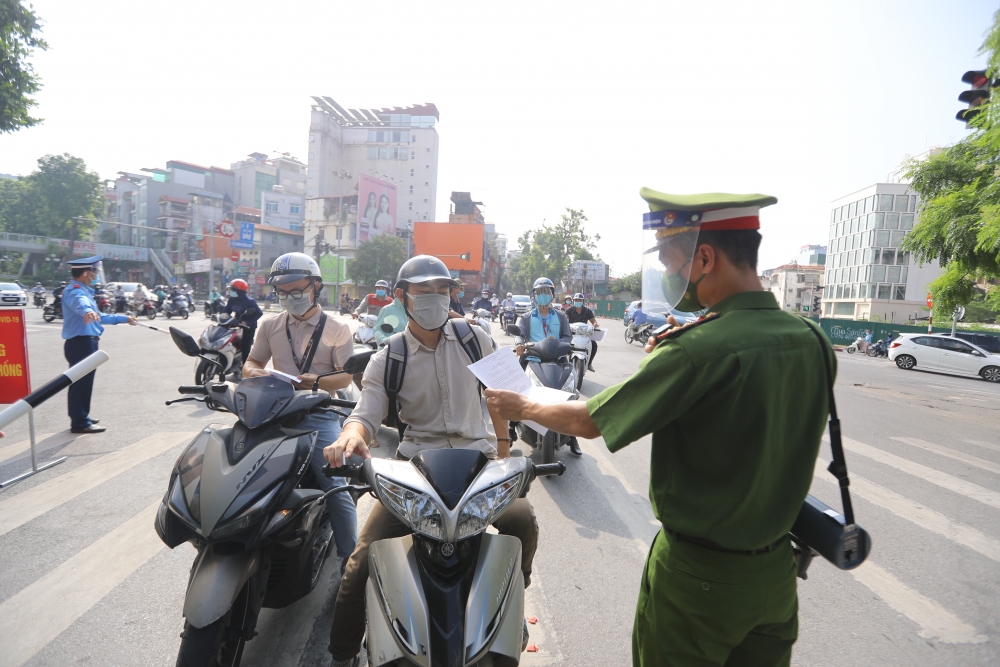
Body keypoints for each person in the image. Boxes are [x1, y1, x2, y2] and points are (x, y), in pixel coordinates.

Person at [484, 190, 833, 667]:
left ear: (704, 257)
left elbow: (589, 421)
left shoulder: (697, 349)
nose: (669, 275)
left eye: (670, 260)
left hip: (699, 582)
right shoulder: (812, 340)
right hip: (775, 577)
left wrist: (521, 403)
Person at [323, 255, 538, 667]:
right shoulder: (390, 357)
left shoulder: (477, 338)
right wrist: (350, 436)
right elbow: (365, 414)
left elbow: (507, 395)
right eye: (425, 292)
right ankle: (342, 654)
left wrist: (505, 449)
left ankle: (514, 597)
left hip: (479, 466)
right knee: (361, 561)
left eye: (443, 291)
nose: (436, 299)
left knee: (522, 518)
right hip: (416, 475)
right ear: (402, 298)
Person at [242, 252, 358, 576]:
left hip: (320, 412)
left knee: (336, 482)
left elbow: (346, 377)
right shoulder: (270, 325)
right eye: (282, 291)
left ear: (315, 286)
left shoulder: (337, 328)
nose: (290, 297)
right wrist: (260, 375)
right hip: (274, 410)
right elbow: (250, 364)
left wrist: (317, 381)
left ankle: (351, 563)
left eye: (297, 289)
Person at [60, 256, 137, 433]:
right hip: (82, 344)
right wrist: (86, 311)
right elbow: (81, 304)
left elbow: (99, 316)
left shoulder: (85, 290)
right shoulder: (75, 291)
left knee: (83, 383)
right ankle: (80, 423)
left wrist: (123, 318)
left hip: (85, 343)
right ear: (87, 272)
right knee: (81, 383)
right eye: (94, 271)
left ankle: (81, 416)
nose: (95, 274)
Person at [513, 277, 576, 454]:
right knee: (516, 390)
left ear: (552, 295)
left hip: (557, 359)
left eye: (546, 292)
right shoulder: (526, 317)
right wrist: (519, 343)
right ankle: (511, 427)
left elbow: (567, 336)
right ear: (534, 295)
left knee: (571, 391)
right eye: (539, 292)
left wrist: (562, 342)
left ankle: (572, 436)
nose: (543, 295)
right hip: (533, 358)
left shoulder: (561, 316)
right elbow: (520, 334)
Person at [224, 278, 262, 366]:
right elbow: (227, 309)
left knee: (245, 347)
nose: (231, 292)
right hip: (236, 323)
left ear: (239, 291)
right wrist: (223, 315)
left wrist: (247, 321)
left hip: (248, 327)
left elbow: (259, 313)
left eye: (233, 290)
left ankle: (245, 368)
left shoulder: (250, 301)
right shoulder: (232, 299)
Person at [566, 292, 600, 372]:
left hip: (584, 334)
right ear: (573, 301)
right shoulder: (569, 310)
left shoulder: (587, 311)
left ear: (583, 301)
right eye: (576, 300)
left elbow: (593, 321)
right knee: (563, 344)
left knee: (594, 344)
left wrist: (595, 324)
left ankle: (589, 363)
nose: (578, 301)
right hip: (572, 334)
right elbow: (565, 319)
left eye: (580, 300)